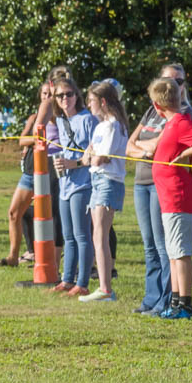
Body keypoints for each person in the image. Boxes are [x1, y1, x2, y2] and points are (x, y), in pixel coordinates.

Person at [126, 64, 192, 314]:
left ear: (184, 84)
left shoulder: (184, 113)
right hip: (140, 182)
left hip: (161, 185)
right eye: (167, 79)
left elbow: (164, 144)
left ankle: (168, 300)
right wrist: (146, 149)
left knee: (164, 244)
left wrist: (145, 148)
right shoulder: (151, 111)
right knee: (149, 245)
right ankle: (151, 298)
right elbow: (129, 146)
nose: (172, 84)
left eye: (178, 80)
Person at [149, 77, 192, 320]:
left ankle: (186, 305)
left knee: (181, 252)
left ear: (157, 105)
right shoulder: (170, 125)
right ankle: (176, 302)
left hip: (179, 196)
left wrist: (188, 152)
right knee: (173, 252)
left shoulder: (179, 123)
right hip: (168, 197)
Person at [0, 82, 60, 267]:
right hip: (31, 169)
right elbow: (22, 140)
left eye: (51, 94)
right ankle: (13, 256)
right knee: (14, 212)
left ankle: (48, 260)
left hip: (49, 169)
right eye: (44, 94)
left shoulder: (58, 116)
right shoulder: (34, 117)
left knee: (50, 216)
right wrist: (37, 139)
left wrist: (38, 140)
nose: (47, 97)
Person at [78, 80, 129, 302]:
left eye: (91, 100)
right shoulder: (101, 126)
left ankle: (105, 288)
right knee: (97, 234)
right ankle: (103, 286)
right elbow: (86, 156)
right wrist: (90, 157)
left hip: (108, 181)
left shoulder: (114, 126)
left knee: (100, 234)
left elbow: (100, 157)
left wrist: (91, 157)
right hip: (97, 179)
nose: (89, 105)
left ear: (103, 101)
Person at [49, 77, 96, 297]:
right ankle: (67, 279)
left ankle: (83, 282)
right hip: (66, 183)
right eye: (60, 96)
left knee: (82, 235)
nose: (65, 99)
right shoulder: (60, 120)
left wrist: (73, 163)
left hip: (83, 183)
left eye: (69, 94)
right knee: (67, 235)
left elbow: (95, 154)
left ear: (77, 95)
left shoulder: (87, 119)